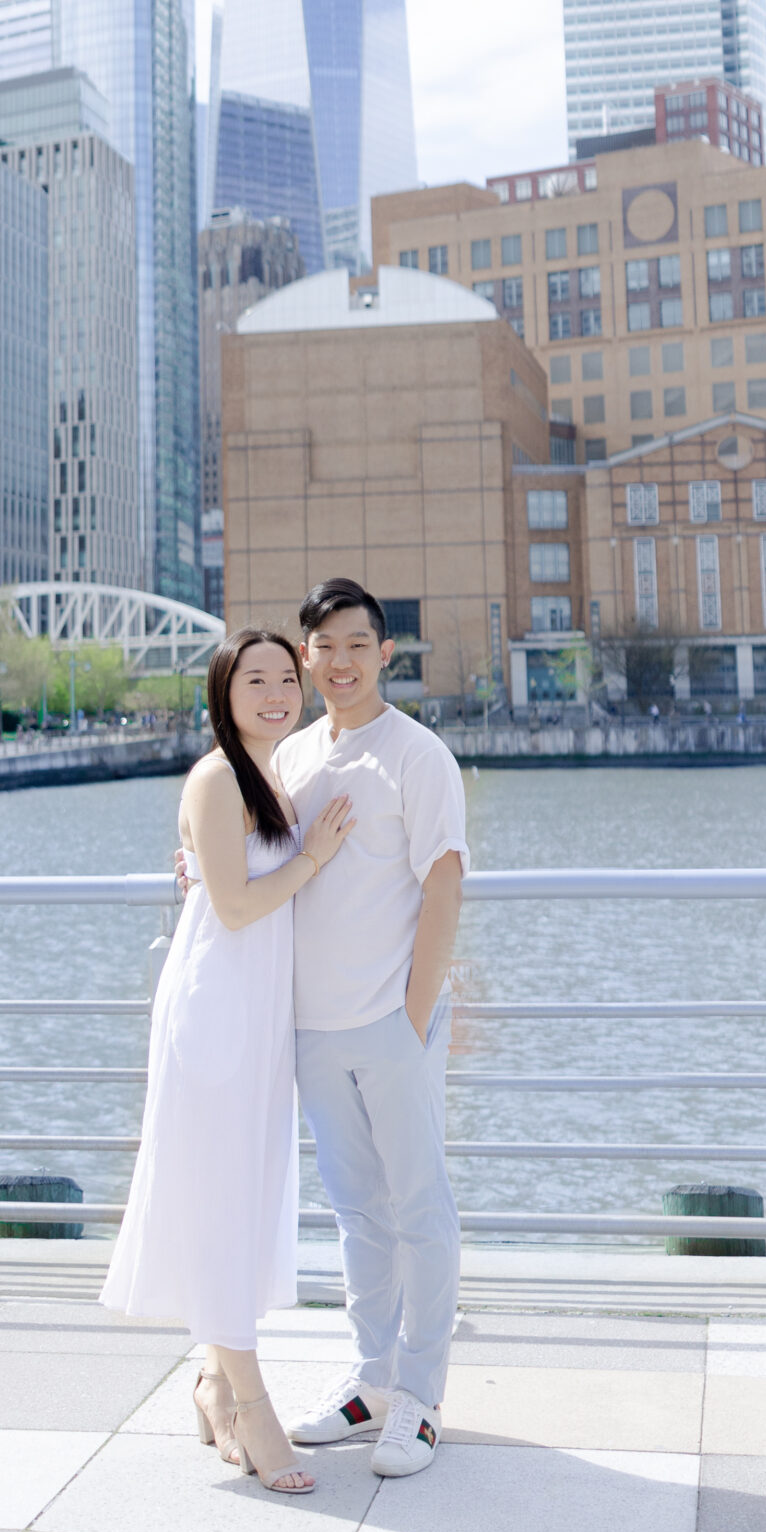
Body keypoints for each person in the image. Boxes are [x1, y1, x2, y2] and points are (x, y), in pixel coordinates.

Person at [101, 628, 354, 1495]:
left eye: (288, 677)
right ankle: (249, 1400)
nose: (278, 691)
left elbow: (226, 884)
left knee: (236, 1200)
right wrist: (314, 856)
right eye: (257, 679)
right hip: (214, 1017)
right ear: (224, 691)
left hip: (255, 1019)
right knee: (220, 1200)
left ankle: (211, 1382)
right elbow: (239, 908)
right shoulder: (217, 776)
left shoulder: (272, 776)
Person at [276, 577, 468, 1480]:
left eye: (358, 645)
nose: (341, 662)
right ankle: (370, 1379)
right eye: (325, 647)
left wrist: (413, 1018)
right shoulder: (292, 758)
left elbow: (444, 882)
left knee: (419, 1207)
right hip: (313, 1029)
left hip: (390, 1023)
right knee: (356, 1210)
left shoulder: (416, 755)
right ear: (305, 656)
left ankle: (421, 1397)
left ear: (384, 653)